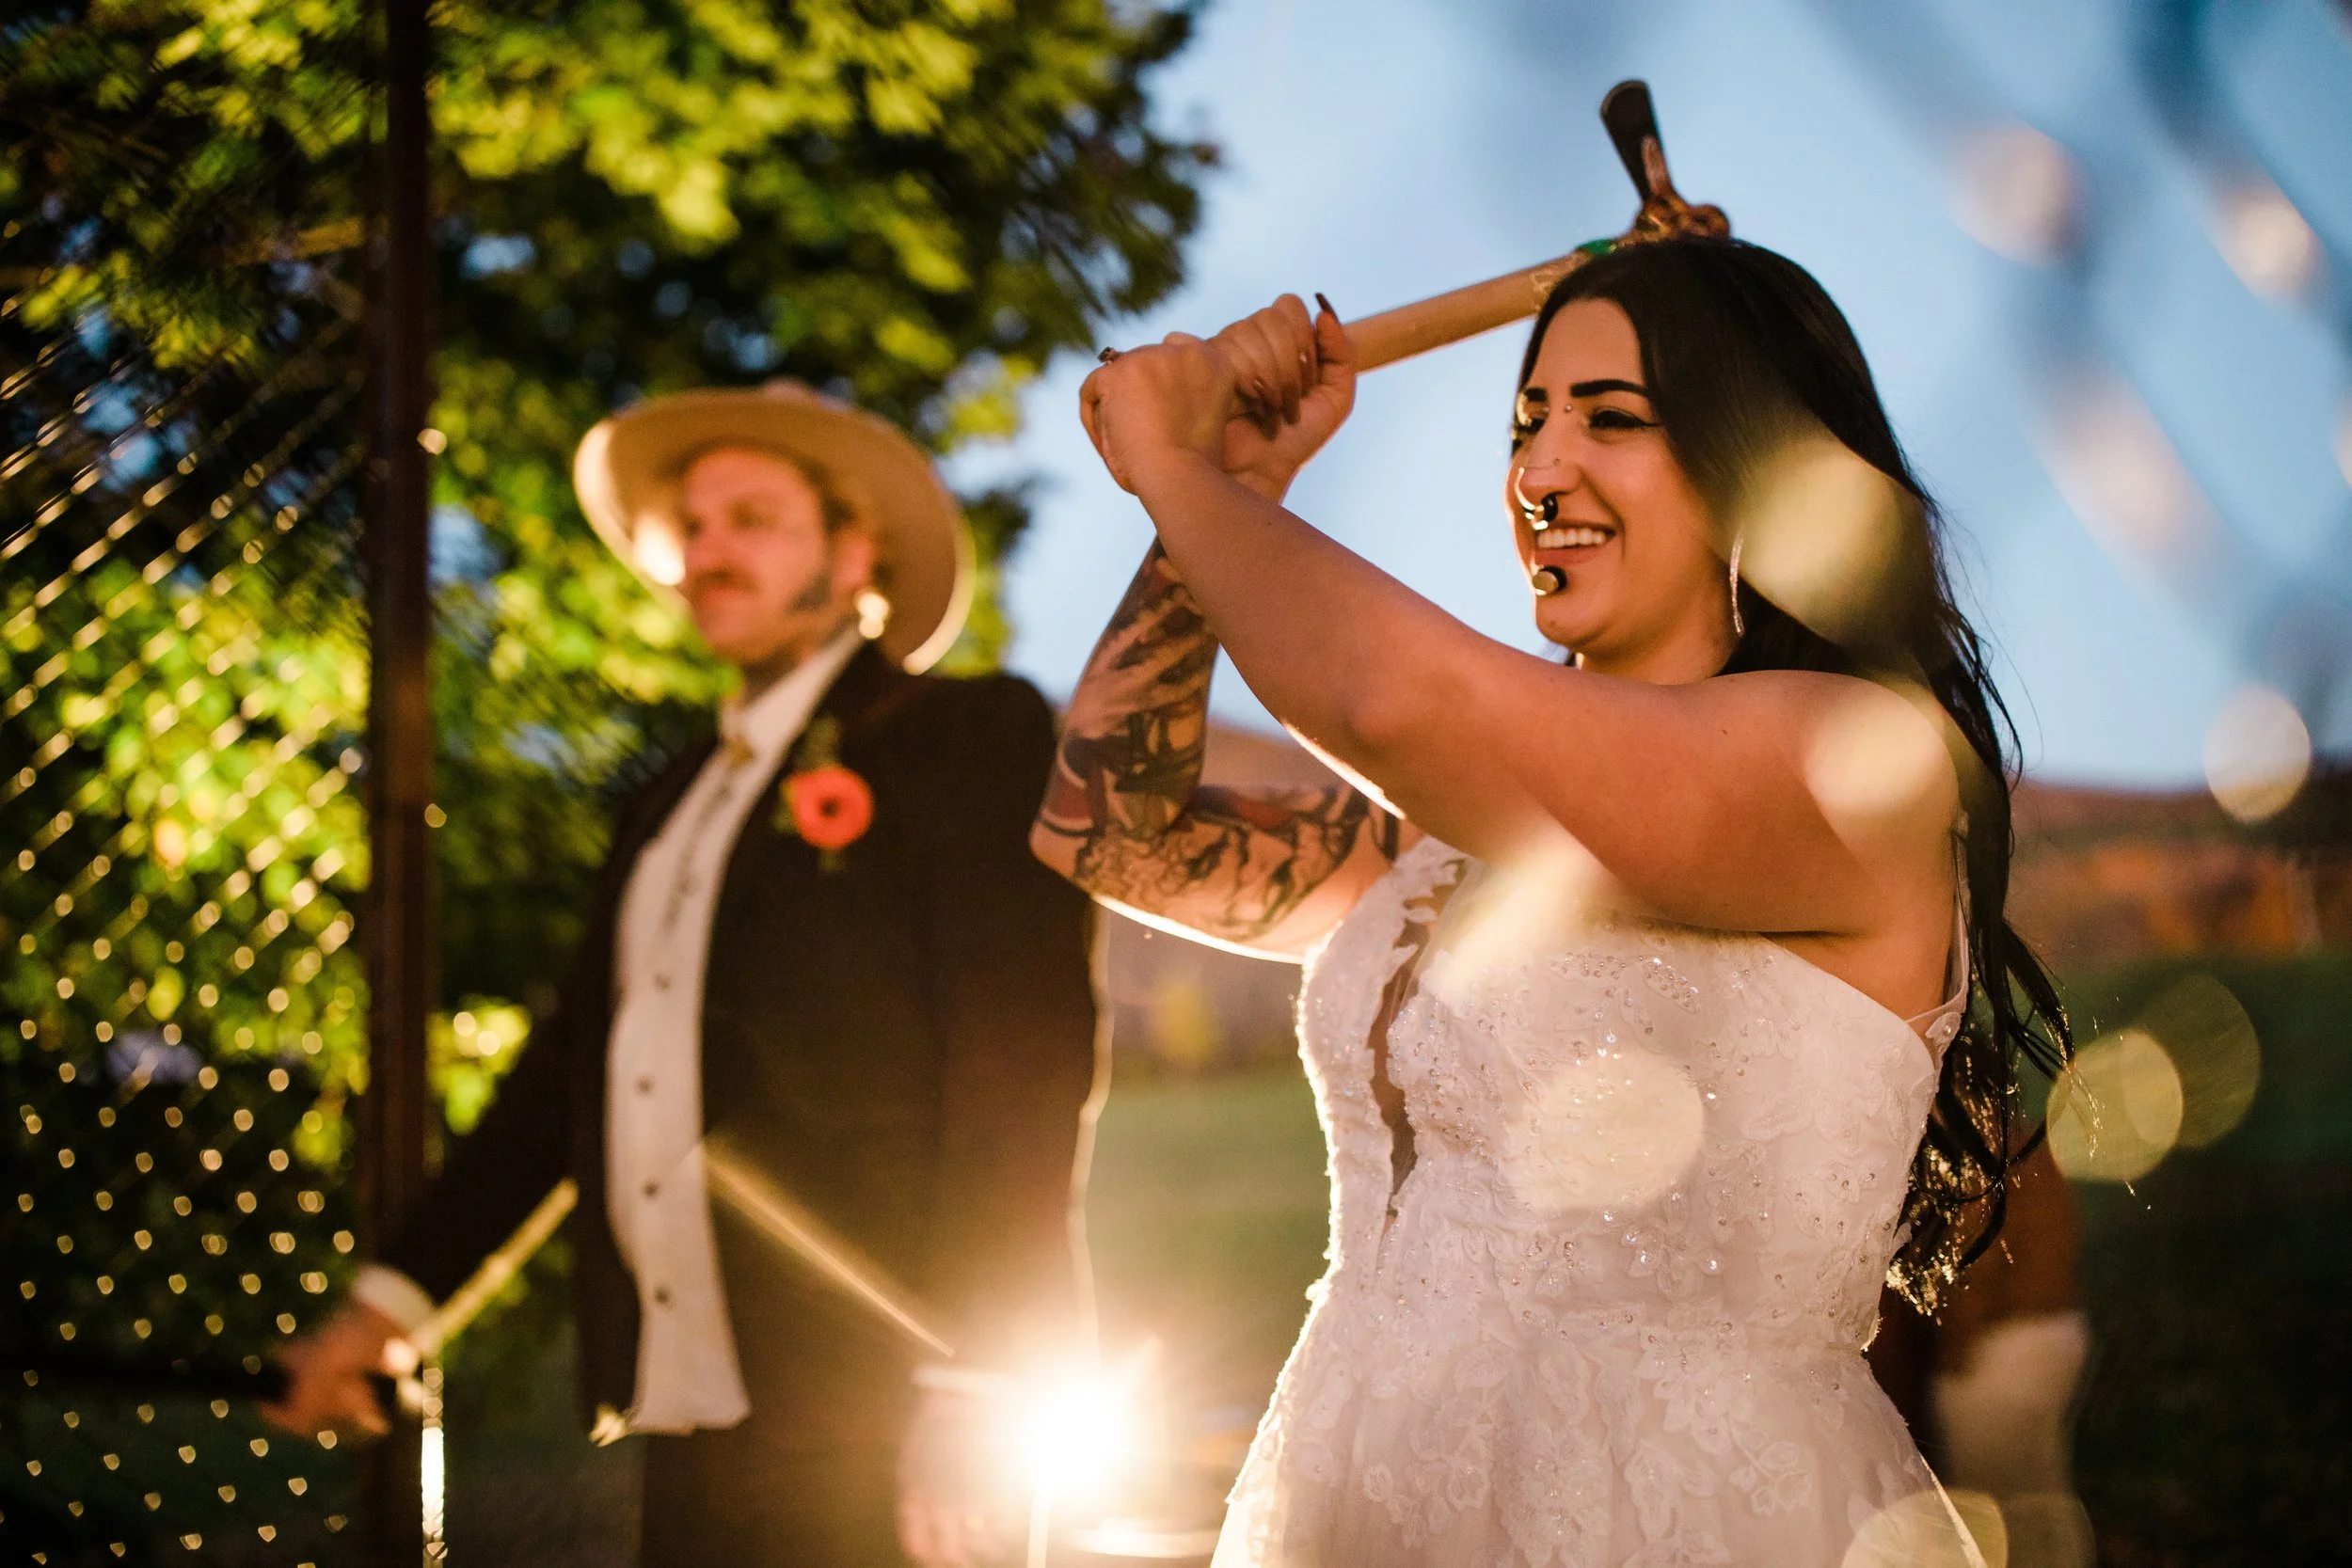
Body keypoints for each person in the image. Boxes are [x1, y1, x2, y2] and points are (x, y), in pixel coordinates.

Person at [1034, 236, 2072, 1566]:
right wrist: (1238, 483)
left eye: (1614, 418)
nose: (1541, 469)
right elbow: (1109, 829)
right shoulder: (1449, 826)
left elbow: (1383, 697)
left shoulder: (1858, 763)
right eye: (1529, 420)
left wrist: (1175, 471)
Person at [268, 381, 1104, 1568]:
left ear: (851, 549)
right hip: (687, 1399)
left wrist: (976, 1383)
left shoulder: (962, 736)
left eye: (752, 519)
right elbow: (566, 1078)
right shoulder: (662, 803)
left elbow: (1023, 1065)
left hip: (892, 1402)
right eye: (694, 529)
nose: (709, 551)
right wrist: (390, 1303)